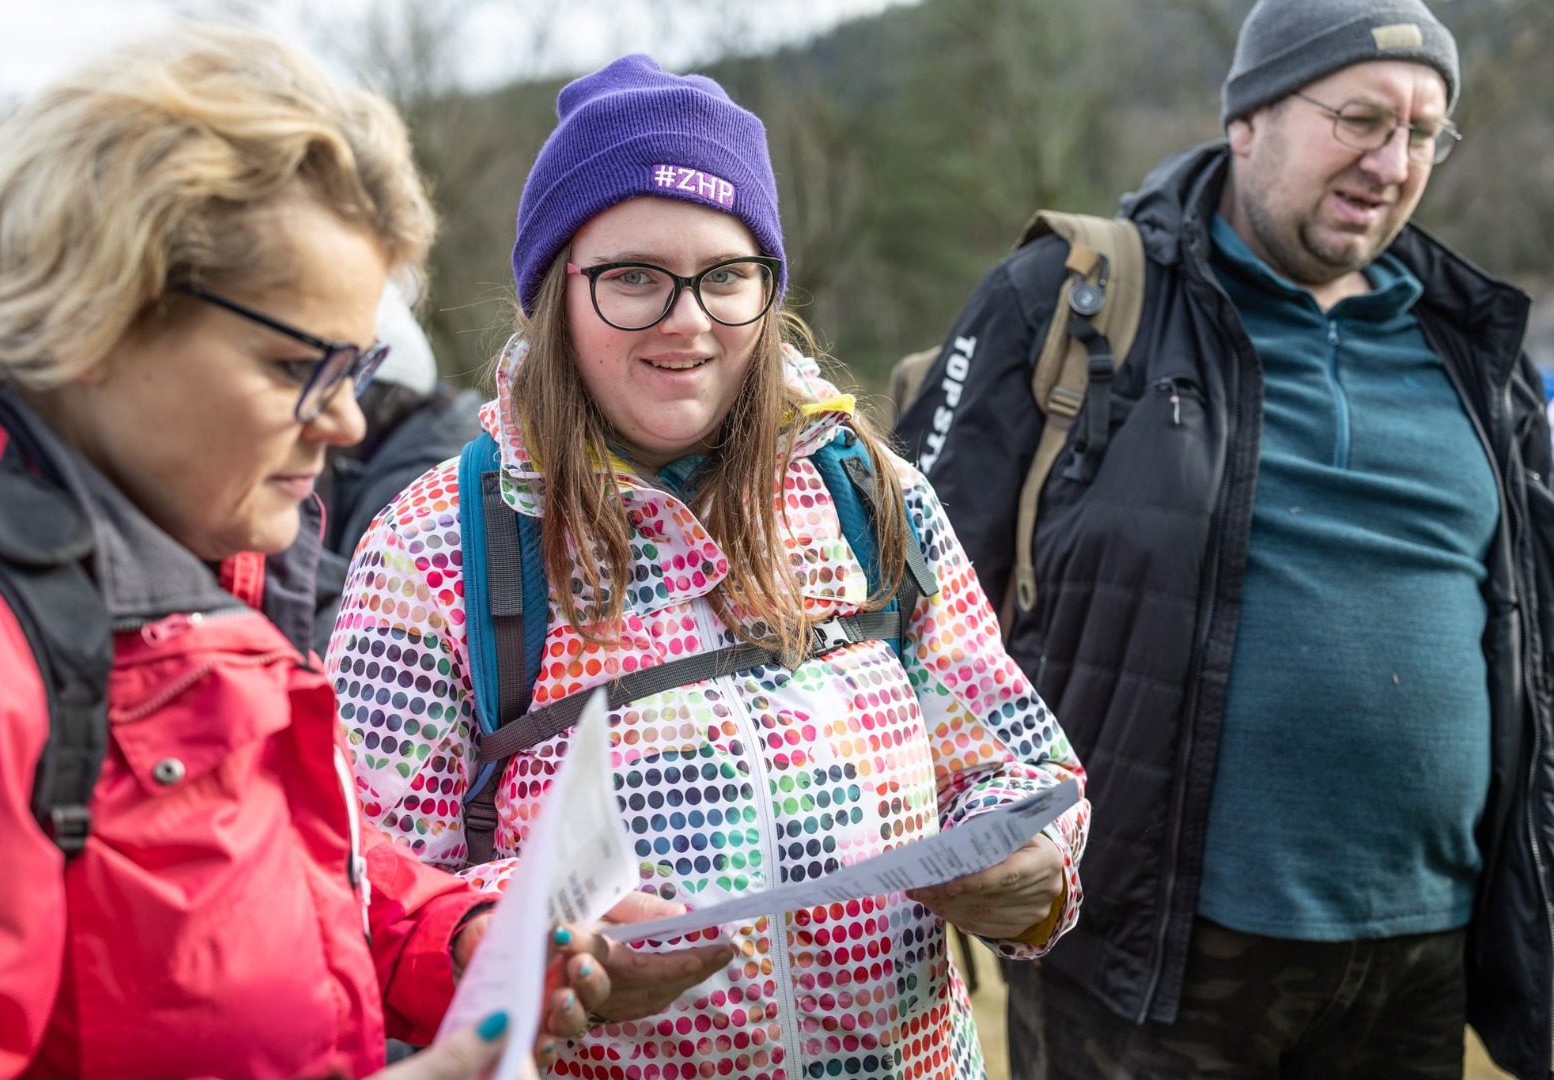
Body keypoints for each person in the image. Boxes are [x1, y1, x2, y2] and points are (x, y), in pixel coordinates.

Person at [328, 54, 1090, 1079]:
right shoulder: (435, 551)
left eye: (726, 276)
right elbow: (361, 897)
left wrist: (1031, 873)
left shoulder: (868, 493)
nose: (686, 319)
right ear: (556, 292)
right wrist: (530, 945)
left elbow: (1016, 760)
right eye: (634, 277)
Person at [894, 1, 1554, 1077]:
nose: (1393, 161)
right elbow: (905, 601)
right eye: (1360, 117)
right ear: (1247, 117)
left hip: (1418, 961)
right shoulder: (1074, 305)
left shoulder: (1477, 354)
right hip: (1142, 957)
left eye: (1424, 132)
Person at [0, 25, 606, 1078]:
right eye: (303, 364)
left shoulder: (205, 553)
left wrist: (468, 943)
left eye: (364, 366)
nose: (345, 422)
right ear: (98, 318)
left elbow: (279, 863)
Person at [313, 281, 484, 657]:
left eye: (351, 384)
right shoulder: (429, 443)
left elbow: (358, 640)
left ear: (386, 397)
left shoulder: (413, 485)